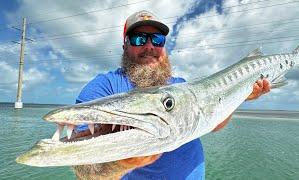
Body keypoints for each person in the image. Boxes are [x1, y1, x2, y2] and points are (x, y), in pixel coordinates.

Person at [73, 10, 271, 179]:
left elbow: (214, 123)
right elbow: (82, 166)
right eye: (139, 38)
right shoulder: (103, 89)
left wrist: (241, 96)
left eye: (157, 39)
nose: (149, 46)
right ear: (125, 45)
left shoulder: (181, 85)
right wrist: (121, 164)